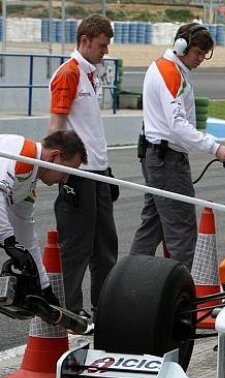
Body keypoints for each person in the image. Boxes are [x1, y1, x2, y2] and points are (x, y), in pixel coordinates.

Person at [129, 24, 225, 270]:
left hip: (157, 155)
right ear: (182, 46)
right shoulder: (170, 72)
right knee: (182, 230)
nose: (200, 60)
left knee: (152, 225)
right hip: (167, 160)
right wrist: (214, 147)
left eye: (204, 55)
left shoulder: (169, 68)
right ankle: (183, 292)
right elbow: (177, 124)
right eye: (198, 53)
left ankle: (127, 278)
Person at [0, 130, 87, 378]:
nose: (65, 180)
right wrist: (9, 243)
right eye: (66, 171)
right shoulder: (21, 155)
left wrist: (44, 284)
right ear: (55, 156)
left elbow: (27, 233)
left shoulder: (28, 182)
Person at [48, 14, 118, 320]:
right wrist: (55, 170)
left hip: (99, 172)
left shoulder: (92, 73)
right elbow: (56, 127)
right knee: (76, 247)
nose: (105, 51)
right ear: (84, 41)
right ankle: (68, 311)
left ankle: (103, 309)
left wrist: (105, 166)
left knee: (105, 248)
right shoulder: (69, 73)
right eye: (101, 46)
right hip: (77, 175)